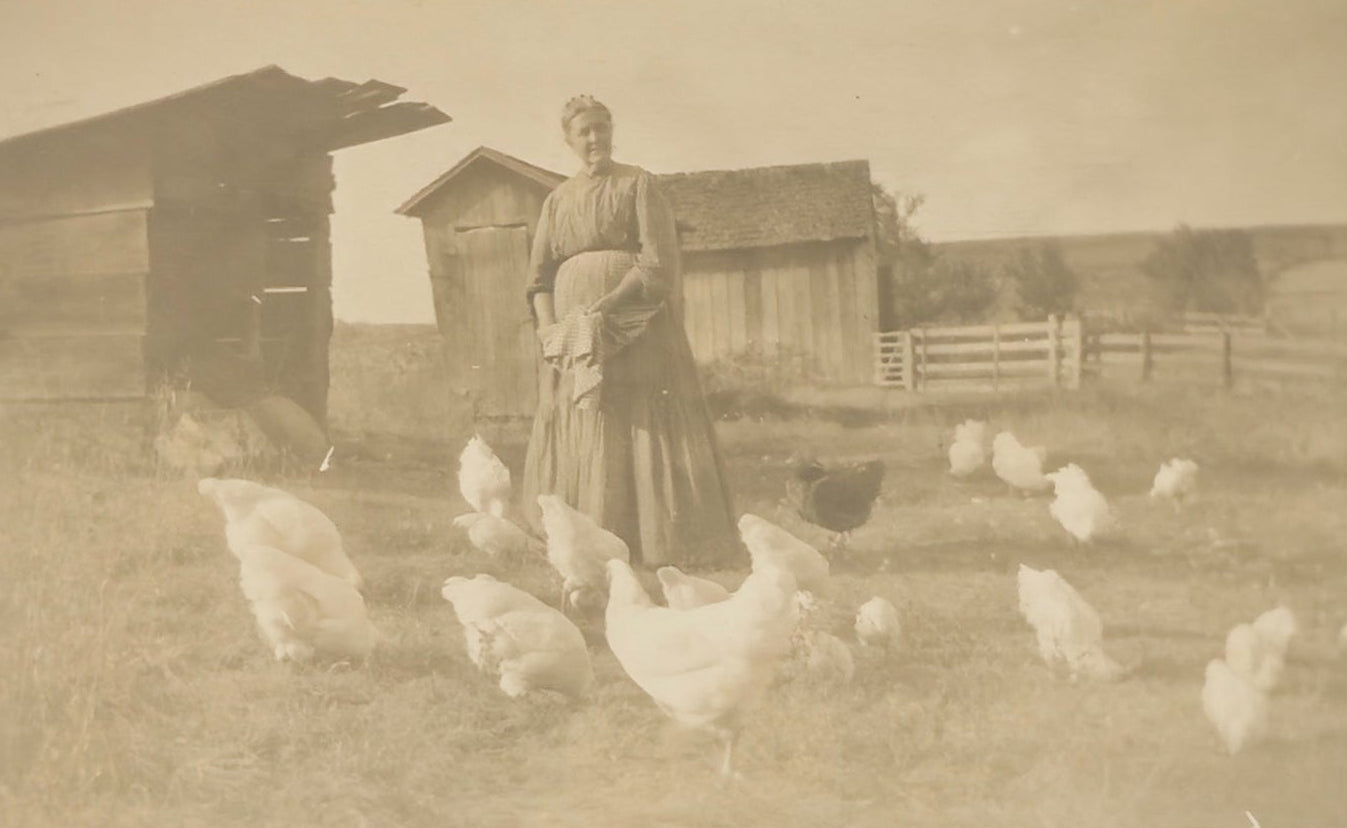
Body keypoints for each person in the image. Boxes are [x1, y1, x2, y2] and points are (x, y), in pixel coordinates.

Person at [520, 95, 741, 568]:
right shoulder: (556, 201)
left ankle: (656, 540)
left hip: (635, 321)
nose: (595, 137)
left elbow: (657, 261)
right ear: (569, 141)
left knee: (640, 416)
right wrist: (548, 331)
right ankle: (586, 541)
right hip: (573, 337)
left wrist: (608, 305)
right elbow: (538, 279)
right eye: (585, 131)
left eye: (602, 127)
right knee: (587, 415)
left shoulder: (638, 184)